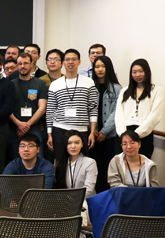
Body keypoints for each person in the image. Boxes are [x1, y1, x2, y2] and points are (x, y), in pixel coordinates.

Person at [46, 49, 98, 162]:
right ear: (63, 63)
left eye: (74, 59)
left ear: (79, 62)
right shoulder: (55, 84)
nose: (70, 62)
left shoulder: (89, 82)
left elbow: (93, 108)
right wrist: (49, 133)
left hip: (81, 130)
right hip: (59, 129)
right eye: (67, 59)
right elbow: (50, 110)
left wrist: (92, 132)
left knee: (81, 163)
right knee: (60, 162)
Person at [114, 58, 163, 159]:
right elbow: (118, 114)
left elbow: (155, 116)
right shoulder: (124, 91)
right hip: (124, 134)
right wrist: (124, 135)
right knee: (123, 168)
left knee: (142, 169)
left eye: (141, 71)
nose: (137, 75)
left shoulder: (157, 91)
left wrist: (135, 135)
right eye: (134, 72)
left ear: (147, 72)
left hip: (144, 134)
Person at [90, 55, 122, 193]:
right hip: (92, 136)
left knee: (108, 169)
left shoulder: (117, 88)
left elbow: (116, 112)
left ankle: (107, 197)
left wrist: (104, 131)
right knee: (94, 169)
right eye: (97, 66)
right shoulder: (90, 86)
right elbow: (87, 109)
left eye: (103, 66)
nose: (100, 69)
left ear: (108, 68)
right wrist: (94, 131)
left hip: (110, 137)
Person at [9, 52, 48, 160]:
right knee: (15, 158)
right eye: (20, 63)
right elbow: (6, 107)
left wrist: (26, 125)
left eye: (25, 63)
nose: (22, 66)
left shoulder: (40, 83)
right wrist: (18, 124)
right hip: (14, 127)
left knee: (38, 158)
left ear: (32, 64)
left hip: (34, 127)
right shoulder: (10, 84)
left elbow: (42, 108)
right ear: (16, 66)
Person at [55, 130, 97, 200]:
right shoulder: (60, 163)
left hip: (86, 201)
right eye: (69, 143)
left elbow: (89, 189)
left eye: (77, 143)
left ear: (82, 144)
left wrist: (73, 198)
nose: (73, 146)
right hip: (66, 202)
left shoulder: (90, 162)